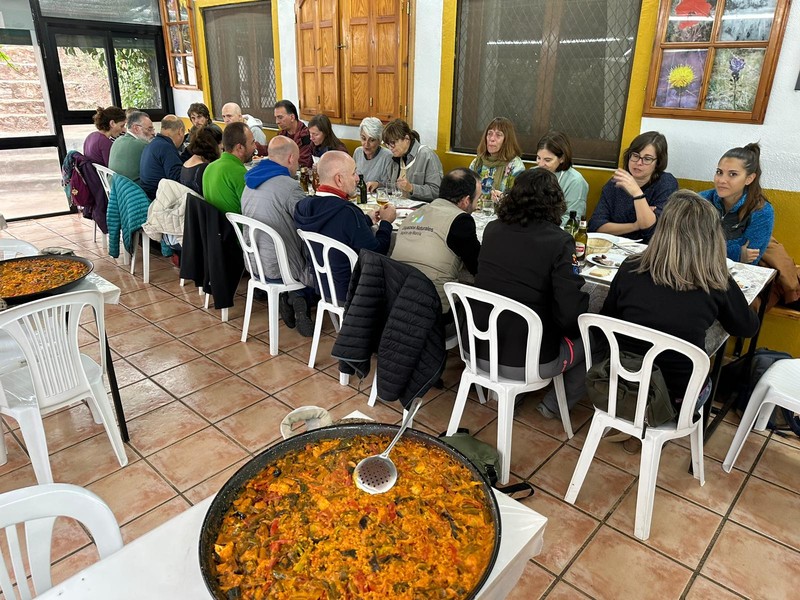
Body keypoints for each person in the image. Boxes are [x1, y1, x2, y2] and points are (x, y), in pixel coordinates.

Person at [601, 190, 759, 411]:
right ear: (712, 237)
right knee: (708, 367)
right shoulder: (716, 280)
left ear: (662, 230)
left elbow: (606, 319)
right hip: (678, 398)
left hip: (622, 381)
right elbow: (747, 327)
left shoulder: (630, 267)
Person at [474, 168, 589, 418]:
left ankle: (516, 394)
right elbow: (571, 317)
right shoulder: (559, 241)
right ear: (555, 201)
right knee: (596, 338)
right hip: (529, 362)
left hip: (479, 352)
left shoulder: (492, 229)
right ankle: (553, 407)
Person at [295, 151, 396, 302]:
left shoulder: (302, 206)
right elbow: (376, 253)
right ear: (339, 179)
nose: (357, 178)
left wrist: (365, 220)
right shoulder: (347, 212)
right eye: (354, 173)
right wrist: (386, 223)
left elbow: (335, 230)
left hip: (323, 286)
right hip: (353, 292)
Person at [391, 168, 481, 336]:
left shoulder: (415, 214)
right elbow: (477, 266)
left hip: (396, 301)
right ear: (466, 200)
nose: (476, 206)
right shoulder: (460, 220)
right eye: (477, 199)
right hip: (432, 311)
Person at [241, 136, 317, 335]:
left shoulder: (249, 181)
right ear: (291, 159)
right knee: (318, 255)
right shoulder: (289, 186)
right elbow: (310, 222)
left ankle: (293, 297)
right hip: (281, 267)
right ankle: (299, 297)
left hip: (254, 263)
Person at [588, 131, 678, 243]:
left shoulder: (666, 183)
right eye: (635, 156)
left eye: (647, 159)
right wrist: (635, 225)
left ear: (658, 162)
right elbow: (596, 226)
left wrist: (636, 192)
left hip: (648, 252)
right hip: (614, 249)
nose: (639, 163)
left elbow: (652, 231)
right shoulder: (615, 183)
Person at [699, 143, 774, 265]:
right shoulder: (701, 201)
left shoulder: (762, 211)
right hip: (695, 270)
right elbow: (684, 245)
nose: (722, 180)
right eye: (719, 172)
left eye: (733, 174)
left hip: (737, 277)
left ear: (749, 178)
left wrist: (705, 245)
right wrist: (737, 252)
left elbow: (750, 261)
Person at [381, 119, 443, 202]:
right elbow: (390, 185)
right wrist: (379, 185)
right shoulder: (395, 158)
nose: (390, 147)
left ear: (406, 139)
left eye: (393, 143)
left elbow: (436, 191)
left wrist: (411, 188)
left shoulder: (426, 155)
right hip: (399, 205)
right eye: (387, 144)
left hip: (421, 209)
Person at [535, 131, 589, 227]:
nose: (540, 164)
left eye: (547, 160)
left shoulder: (576, 182)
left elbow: (571, 219)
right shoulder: (532, 174)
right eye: (538, 158)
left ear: (562, 158)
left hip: (557, 233)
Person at [201, 121, 255, 214]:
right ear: (239, 148)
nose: (255, 147)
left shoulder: (209, 167)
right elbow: (251, 209)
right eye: (252, 143)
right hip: (236, 227)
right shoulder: (239, 172)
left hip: (215, 226)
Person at [469, 117, 525, 204]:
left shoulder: (515, 166)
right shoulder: (477, 162)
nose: (492, 139)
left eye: (498, 135)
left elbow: (519, 200)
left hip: (502, 214)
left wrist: (502, 198)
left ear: (507, 140)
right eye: (489, 134)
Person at [139, 115, 186, 199]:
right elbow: (178, 179)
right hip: (159, 199)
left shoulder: (153, 144)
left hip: (147, 196)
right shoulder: (166, 148)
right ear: (181, 131)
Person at [108, 110, 155, 185]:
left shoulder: (117, 141)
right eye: (149, 129)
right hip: (132, 191)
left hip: (115, 189)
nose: (153, 133)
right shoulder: (142, 145)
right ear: (136, 128)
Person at [180, 126, 222, 196]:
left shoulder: (187, 163)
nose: (222, 147)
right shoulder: (205, 168)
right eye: (221, 147)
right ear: (214, 145)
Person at [354, 117, 393, 188]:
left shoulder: (387, 156)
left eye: (372, 140)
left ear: (379, 140)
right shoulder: (358, 152)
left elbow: (392, 185)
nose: (366, 144)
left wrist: (378, 185)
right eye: (363, 138)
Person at [273, 99, 313, 168]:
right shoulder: (281, 134)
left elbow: (302, 162)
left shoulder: (306, 135)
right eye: (276, 118)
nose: (277, 122)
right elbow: (272, 151)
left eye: (280, 117)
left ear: (292, 117)